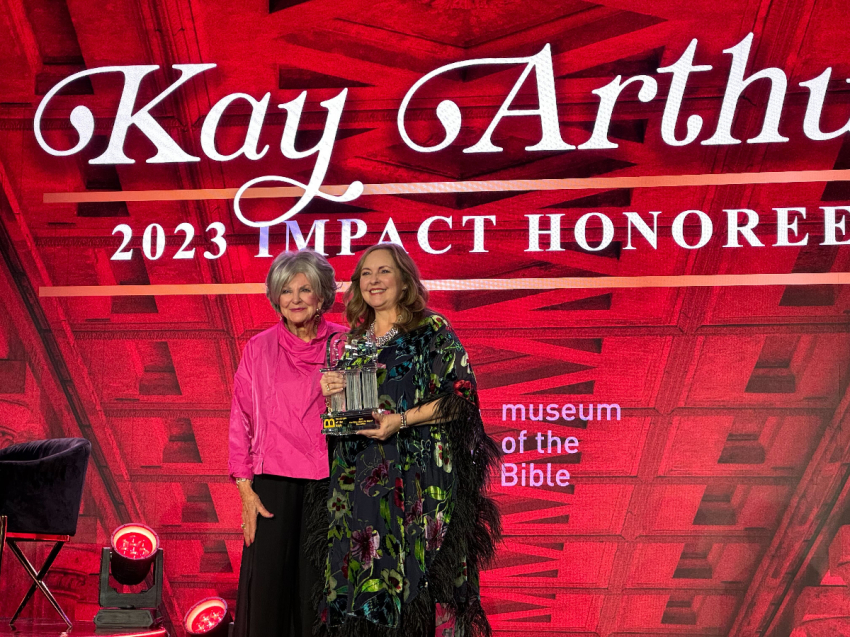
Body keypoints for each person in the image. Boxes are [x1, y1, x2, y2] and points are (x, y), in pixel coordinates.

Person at [316, 243, 501, 637]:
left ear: (404, 282)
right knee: (364, 583)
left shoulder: (430, 330)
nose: (374, 280)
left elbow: (460, 399)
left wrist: (399, 421)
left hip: (416, 476)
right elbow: (350, 413)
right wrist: (333, 393)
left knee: (412, 587)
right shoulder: (355, 340)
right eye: (366, 273)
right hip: (360, 479)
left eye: (384, 271)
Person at [229, 249, 345, 637]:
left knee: (318, 592)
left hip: (329, 485)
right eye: (285, 291)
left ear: (322, 296)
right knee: (268, 594)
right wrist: (245, 489)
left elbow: (369, 413)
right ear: (275, 297)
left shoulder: (346, 346)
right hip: (271, 487)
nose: (294, 299)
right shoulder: (258, 348)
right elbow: (240, 421)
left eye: (305, 289)